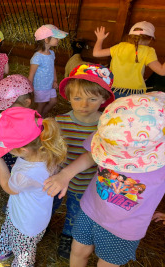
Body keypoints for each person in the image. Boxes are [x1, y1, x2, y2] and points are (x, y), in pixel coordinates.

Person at [43, 92, 165, 267]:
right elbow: (91, 155)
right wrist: (65, 174)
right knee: (77, 252)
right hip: (90, 209)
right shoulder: (113, 134)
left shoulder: (161, 161)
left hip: (125, 227)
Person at [0, 107, 67, 266]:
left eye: (7, 150)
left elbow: (9, 187)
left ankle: (22, 263)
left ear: (23, 149)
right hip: (24, 210)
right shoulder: (45, 149)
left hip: (26, 224)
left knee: (23, 250)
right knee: (8, 228)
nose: (7, 153)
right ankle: (3, 248)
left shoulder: (26, 174)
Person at [52, 64, 115, 259]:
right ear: (68, 96)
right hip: (57, 177)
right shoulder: (59, 121)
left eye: (92, 99)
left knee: (75, 213)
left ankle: (68, 235)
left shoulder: (107, 126)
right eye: (77, 98)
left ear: (104, 99)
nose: (83, 105)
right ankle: (39, 226)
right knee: (49, 205)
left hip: (85, 183)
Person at [93, 21, 165, 98]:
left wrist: (100, 39)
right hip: (134, 92)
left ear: (130, 36)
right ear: (150, 39)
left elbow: (96, 53)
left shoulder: (119, 47)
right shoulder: (148, 51)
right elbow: (162, 71)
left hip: (113, 89)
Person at [0, 74, 34, 171]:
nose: (6, 112)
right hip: (9, 156)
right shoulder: (7, 118)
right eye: (4, 108)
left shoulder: (35, 125)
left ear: (27, 103)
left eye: (10, 107)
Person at [28, 24, 68, 117]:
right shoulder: (37, 57)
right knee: (41, 105)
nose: (58, 40)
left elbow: (52, 67)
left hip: (49, 85)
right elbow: (31, 74)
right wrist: (29, 89)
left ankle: (41, 116)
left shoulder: (52, 53)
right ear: (46, 40)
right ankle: (36, 121)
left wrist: (55, 80)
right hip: (40, 87)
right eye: (56, 38)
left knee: (53, 101)